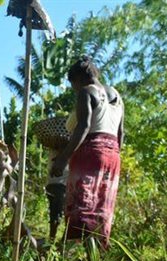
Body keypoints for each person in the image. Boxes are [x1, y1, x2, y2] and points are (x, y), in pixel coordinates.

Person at [51, 56, 124, 248]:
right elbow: (120, 133)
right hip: (113, 153)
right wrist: (114, 156)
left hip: (90, 151)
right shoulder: (117, 95)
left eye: (73, 84)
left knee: (81, 203)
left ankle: (70, 252)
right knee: (102, 205)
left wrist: (62, 159)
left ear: (78, 79)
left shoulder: (86, 92)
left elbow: (82, 127)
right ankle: (97, 254)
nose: (74, 89)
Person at [45, 148, 68, 241]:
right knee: (56, 214)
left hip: (54, 184)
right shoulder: (69, 146)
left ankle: (53, 239)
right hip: (57, 185)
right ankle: (53, 240)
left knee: (55, 213)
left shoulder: (53, 146)